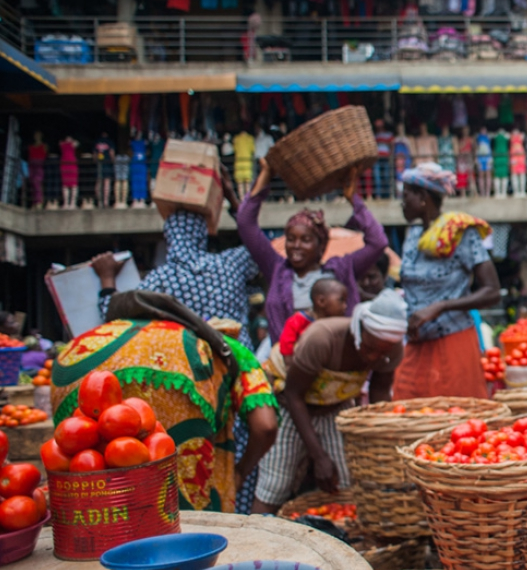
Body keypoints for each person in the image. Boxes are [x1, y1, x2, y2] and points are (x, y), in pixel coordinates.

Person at [52, 300, 278, 514]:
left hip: (74, 376)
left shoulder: (83, 344)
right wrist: (241, 471)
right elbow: (266, 425)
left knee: (103, 501)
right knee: (186, 514)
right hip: (184, 460)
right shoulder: (223, 345)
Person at [252, 289, 406, 514]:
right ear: (359, 330)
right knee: (275, 485)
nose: (373, 357)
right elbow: (294, 394)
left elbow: (379, 393)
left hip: (336, 406)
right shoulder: (322, 338)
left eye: (381, 353)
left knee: (346, 482)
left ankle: (346, 538)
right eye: (369, 348)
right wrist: (319, 455)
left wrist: (377, 438)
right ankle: (257, 538)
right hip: (290, 406)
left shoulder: (392, 350)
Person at [92, 173, 258, 348]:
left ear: (169, 238)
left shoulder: (161, 279)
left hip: (191, 368)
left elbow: (116, 318)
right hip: (238, 361)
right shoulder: (229, 265)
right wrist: (232, 198)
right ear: (202, 235)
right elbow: (258, 245)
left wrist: (107, 278)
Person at [238, 159, 385, 344]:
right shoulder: (276, 269)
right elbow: (245, 224)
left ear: (321, 246)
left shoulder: (340, 270)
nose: (296, 246)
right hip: (288, 365)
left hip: (336, 363)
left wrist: (353, 199)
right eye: (290, 239)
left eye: (306, 240)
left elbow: (378, 242)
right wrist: (266, 174)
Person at [393, 163, 501, 400]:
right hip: (416, 343)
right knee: (407, 410)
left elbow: (492, 291)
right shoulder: (411, 235)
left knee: (458, 418)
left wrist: (441, 306)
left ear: (422, 197)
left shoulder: (461, 233)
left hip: (453, 342)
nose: (401, 202)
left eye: (406, 195)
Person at [278, 278, 348, 359]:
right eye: (341, 301)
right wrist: (289, 364)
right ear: (321, 301)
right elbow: (286, 343)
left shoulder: (338, 324)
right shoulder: (298, 321)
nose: (345, 306)